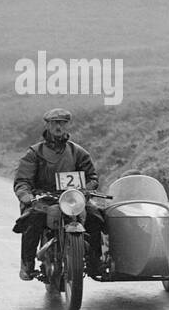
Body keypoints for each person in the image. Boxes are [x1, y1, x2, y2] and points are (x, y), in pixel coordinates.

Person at [12, 108, 104, 281]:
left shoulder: (78, 152)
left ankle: (94, 262)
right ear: (47, 125)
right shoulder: (34, 153)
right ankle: (27, 264)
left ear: (67, 125)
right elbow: (22, 181)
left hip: (73, 198)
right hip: (45, 199)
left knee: (96, 217)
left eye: (62, 123)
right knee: (32, 219)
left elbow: (92, 177)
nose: (59, 127)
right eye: (55, 123)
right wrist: (27, 196)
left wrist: (85, 191)